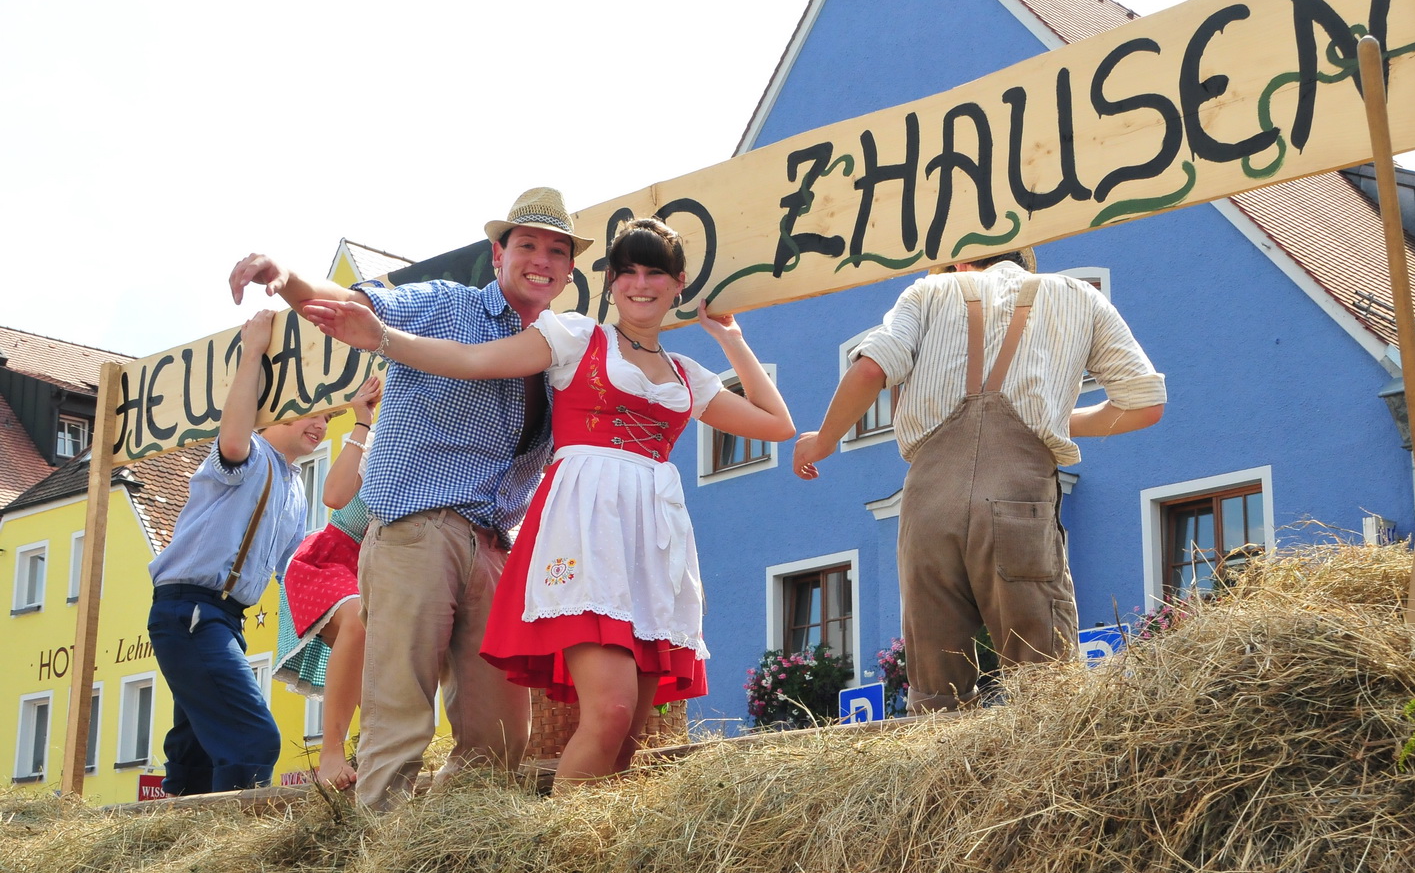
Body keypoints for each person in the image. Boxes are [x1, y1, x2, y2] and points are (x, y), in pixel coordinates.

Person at [303, 217, 795, 787]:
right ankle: (556, 847)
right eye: (627, 271)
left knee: (628, 734)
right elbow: (473, 361)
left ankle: (585, 858)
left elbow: (777, 424)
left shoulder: (686, 374)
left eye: (655, 272)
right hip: (585, 532)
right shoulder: (576, 338)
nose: (641, 283)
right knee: (607, 712)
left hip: (652, 544)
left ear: (677, 282)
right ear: (610, 281)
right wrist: (384, 341)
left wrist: (730, 338)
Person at [229, 188, 589, 809]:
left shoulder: (561, 351)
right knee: (399, 714)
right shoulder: (448, 305)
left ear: (569, 270)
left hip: (496, 544)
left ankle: (445, 857)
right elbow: (349, 306)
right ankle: (382, 870)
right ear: (499, 253)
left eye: (557, 250)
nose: (541, 260)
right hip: (418, 528)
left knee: (500, 736)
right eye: (527, 244)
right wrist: (284, 277)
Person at [791, 249, 1166, 712]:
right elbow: (1144, 404)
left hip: (927, 503)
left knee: (936, 695)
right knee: (1044, 688)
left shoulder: (927, 291)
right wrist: (1055, 418)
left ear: (961, 264)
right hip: (1019, 497)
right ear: (1021, 260)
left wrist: (825, 440)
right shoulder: (1078, 296)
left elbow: (870, 369)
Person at [147, 310, 322, 795]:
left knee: (197, 750)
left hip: (223, 619)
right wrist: (252, 353)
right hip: (190, 609)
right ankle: (227, 850)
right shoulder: (251, 455)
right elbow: (233, 435)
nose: (322, 424)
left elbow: (296, 568)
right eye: (314, 411)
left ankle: (178, 845)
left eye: (329, 415)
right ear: (279, 408)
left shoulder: (296, 487)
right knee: (254, 740)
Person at [273, 375, 382, 791]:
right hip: (329, 560)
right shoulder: (375, 448)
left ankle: (370, 748)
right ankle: (330, 750)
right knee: (357, 618)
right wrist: (361, 422)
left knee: (392, 654)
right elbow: (334, 496)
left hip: (381, 568)